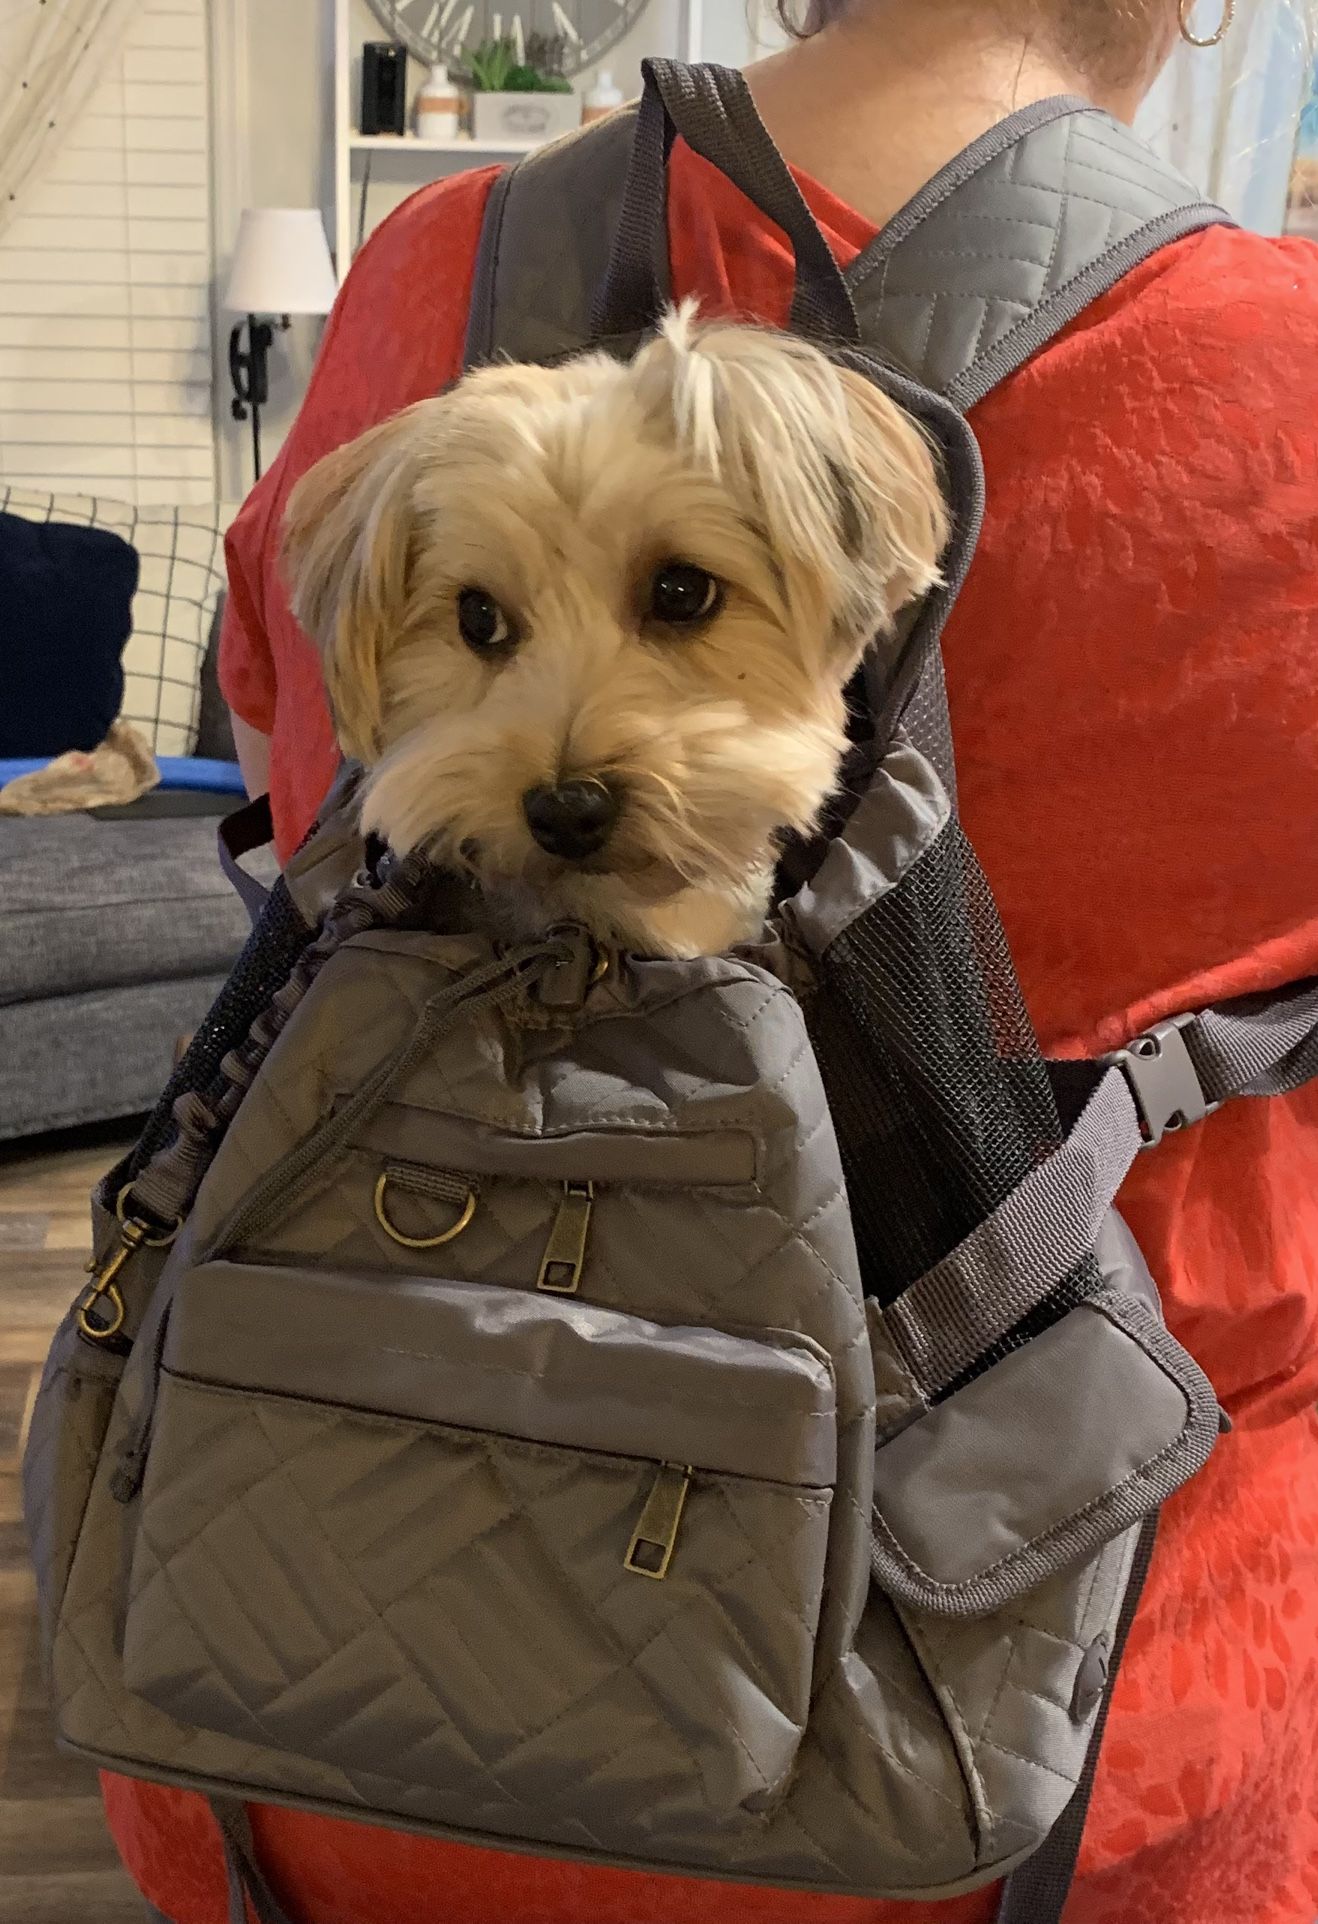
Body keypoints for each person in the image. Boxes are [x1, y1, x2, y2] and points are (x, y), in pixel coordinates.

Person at [117, 2, 1318, 1920]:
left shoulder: (434, 270)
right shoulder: (1285, 365)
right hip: (1045, 1736)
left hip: (317, 1665)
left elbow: (299, 772)